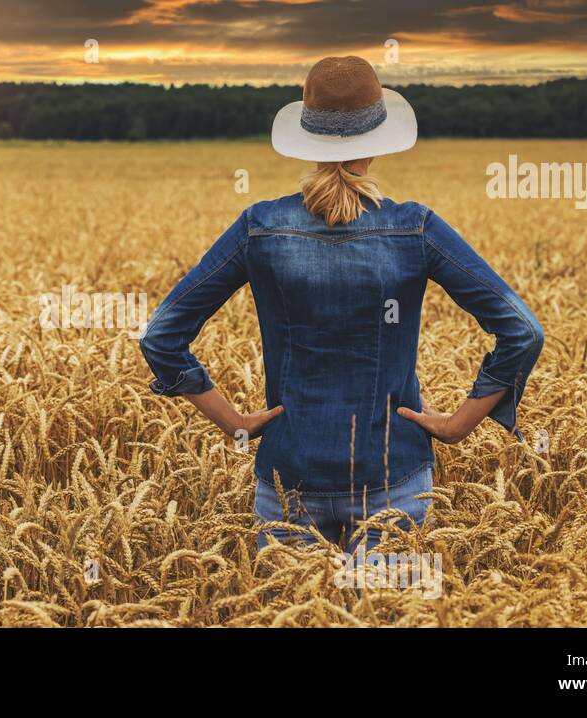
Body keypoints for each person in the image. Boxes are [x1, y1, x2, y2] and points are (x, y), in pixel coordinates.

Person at [138, 56, 544, 555]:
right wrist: (459, 424)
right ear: (377, 141)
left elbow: (160, 336)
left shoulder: (259, 228)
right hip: (394, 476)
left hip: (289, 478)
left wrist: (234, 422)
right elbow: (522, 330)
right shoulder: (415, 228)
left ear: (307, 139)